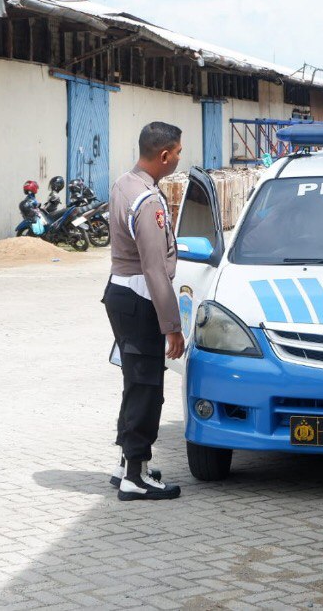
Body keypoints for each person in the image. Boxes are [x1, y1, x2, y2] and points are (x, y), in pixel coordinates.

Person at [104, 121, 185, 501]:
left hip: (122, 295)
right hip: (140, 299)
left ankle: (127, 465)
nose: (179, 159)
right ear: (165, 155)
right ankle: (135, 477)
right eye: (179, 153)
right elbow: (154, 269)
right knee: (147, 389)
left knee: (135, 383)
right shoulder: (148, 200)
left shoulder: (125, 183)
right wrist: (172, 326)